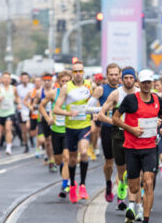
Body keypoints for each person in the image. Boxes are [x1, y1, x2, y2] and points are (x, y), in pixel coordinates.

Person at [112, 69, 162, 223]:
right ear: (138, 83)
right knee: (135, 187)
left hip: (150, 147)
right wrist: (131, 129)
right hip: (131, 148)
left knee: (149, 182)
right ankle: (133, 199)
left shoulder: (157, 100)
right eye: (143, 82)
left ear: (152, 83)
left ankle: (146, 222)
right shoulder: (130, 100)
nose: (146, 85)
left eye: (149, 82)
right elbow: (115, 118)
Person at [54, 61, 98, 203]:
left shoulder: (89, 85)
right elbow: (56, 109)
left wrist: (95, 112)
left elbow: (96, 101)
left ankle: (83, 185)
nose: (78, 74)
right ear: (72, 73)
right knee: (72, 158)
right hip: (70, 127)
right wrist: (68, 113)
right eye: (75, 72)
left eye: (80, 71)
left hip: (84, 125)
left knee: (84, 152)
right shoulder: (67, 87)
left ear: (83, 72)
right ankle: (72, 184)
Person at [99, 66, 140, 210]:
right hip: (119, 134)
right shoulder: (116, 94)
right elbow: (101, 114)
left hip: (135, 134)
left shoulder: (140, 93)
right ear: (122, 79)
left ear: (135, 79)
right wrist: (115, 122)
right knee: (121, 169)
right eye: (126, 78)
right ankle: (120, 185)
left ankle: (131, 201)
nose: (129, 81)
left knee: (134, 168)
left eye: (131, 78)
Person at [90, 63, 121, 202]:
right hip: (107, 129)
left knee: (123, 164)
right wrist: (95, 114)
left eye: (116, 74)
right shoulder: (100, 90)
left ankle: (121, 191)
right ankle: (108, 183)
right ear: (107, 75)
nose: (114, 77)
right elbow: (88, 107)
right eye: (111, 74)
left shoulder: (124, 89)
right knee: (109, 163)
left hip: (122, 130)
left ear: (119, 75)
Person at [39, 70, 72, 197]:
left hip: (69, 130)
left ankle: (65, 185)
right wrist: (48, 118)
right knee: (58, 161)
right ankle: (66, 176)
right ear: (58, 82)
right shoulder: (53, 93)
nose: (65, 84)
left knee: (66, 157)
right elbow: (41, 106)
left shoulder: (74, 95)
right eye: (62, 81)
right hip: (56, 130)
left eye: (67, 81)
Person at [0, 72, 22, 155]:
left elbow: (17, 97)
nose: (6, 80)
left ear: (10, 80)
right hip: (1, 113)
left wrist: (19, 104)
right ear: (2, 79)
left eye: (8, 78)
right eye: (4, 78)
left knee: (8, 128)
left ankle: (8, 147)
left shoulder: (13, 88)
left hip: (10, 112)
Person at [33, 73, 56, 172]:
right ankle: (50, 159)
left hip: (55, 117)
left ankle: (53, 159)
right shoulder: (39, 92)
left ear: (52, 81)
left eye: (49, 80)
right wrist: (36, 106)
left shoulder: (56, 91)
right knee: (46, 142)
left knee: (54, 140)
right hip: (44, 118)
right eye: (45, 80)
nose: (47, 82)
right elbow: (34, 104)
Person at [16, 72, 34, 153]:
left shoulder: (32, 87)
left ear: (28, 79)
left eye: (26, 78)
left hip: (31, 110)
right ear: (21, 79)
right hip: (22, 110)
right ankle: (26, 144)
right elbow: (17, 98)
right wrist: (19, 104)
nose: (24, 80)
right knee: (24, 130)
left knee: (29, 127)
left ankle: (31, 137)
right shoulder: (18, 88)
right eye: (23, 78)